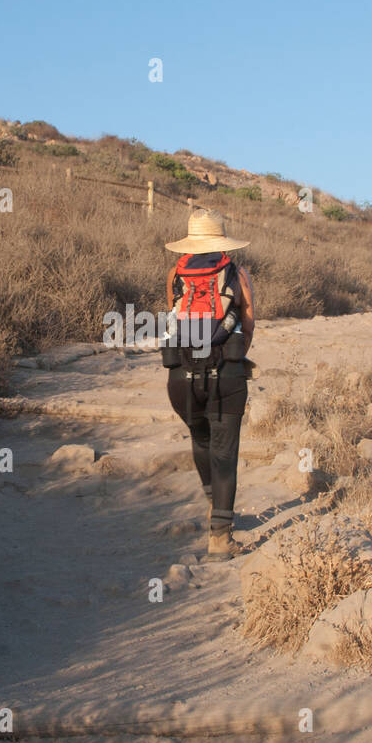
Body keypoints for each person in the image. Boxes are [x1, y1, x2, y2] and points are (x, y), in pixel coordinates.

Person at [163, 209, 254, 561]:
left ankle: (212, 505)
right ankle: (219, 538)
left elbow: (174, 319)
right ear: (222, 240)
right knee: (225, 449)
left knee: (200, 438)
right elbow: (248, 322)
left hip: (180, 374)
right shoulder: (237, 272)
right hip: (226, 370)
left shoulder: (175, 272)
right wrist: (234, 356)